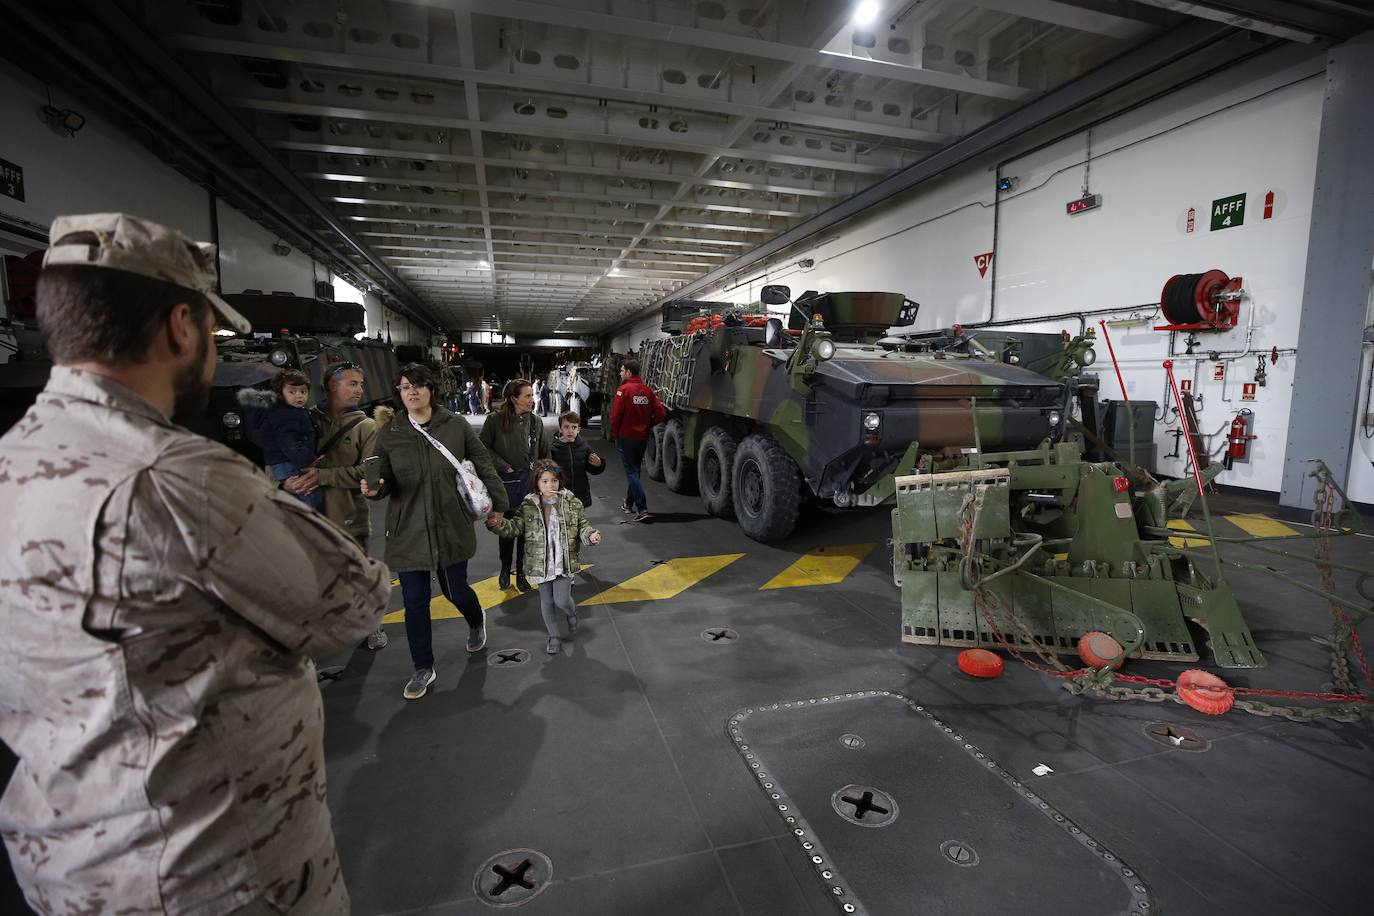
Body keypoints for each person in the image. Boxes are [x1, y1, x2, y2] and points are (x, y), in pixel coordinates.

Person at [0, 213, 390, 914]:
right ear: (183, 326)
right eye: (213, 330)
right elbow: (352, 603)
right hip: (209, 873)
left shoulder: (15, 460)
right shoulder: (175, 477)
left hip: (71, 865)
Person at [363, 362, 508, 700]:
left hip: (449, 524)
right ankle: (422, 667)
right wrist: (375, 489)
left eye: (417, 385)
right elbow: (381, 476)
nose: (411, 392)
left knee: (456, 591)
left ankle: (475, 620)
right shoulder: (392, 431)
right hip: (408, 528)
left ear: (431, 389)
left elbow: (482, 462)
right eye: (404, 387)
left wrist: (498, 504)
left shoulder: (455, 425)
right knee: (415, 601)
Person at [282, 359, 392, 651]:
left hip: (348, 515)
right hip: (306, 515)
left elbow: (368, 472)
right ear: (333, 385)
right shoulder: (302, 420)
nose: (359, 390)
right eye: (352, 384)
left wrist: (323, 475)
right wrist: (282, 483)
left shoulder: (365, 426)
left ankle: (371, 625)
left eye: (361, 385)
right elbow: (276, 459)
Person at [487, 458, 601, 654]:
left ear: (560, 481)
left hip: (563, 561)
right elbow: (515, 527)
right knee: (547, 602)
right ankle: (554, 636)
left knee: (562, 600)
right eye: (545, 481)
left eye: (554, 480)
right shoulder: (529, 504)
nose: (551, 485)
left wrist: (590, 535)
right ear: (537, 484)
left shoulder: (570, 501)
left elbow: (582, 524)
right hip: (540, 562)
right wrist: (498, 525)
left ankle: (571, 612)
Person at [480, 378, 551, 591]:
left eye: (532, 395)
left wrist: (544, 476)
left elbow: (544, 452)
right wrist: (504, 466)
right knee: (507, 531)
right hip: (506, 485)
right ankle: (504, 568)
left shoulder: (535, 422)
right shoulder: (495, 420)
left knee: (526, 532)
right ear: (514, 399)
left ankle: (521, 571)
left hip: (530, 486)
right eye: (527, 396)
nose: (532, 399)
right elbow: (482, 448)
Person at [237, 367, 322, 510]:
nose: (299, 396)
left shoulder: (289, 411)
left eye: (303, 391)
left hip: (283, 463)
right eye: (292, 392)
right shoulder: (287, 415)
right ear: (280, 394)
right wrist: (308, 461)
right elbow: (289, 443)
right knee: (308, 499)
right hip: (291, 463)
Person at [610, 358, 666, 522]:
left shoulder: (623, 390)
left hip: (626, 437)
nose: (620, 374)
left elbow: (615, 416)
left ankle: (642, 510)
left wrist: (615, 434)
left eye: (621, 371)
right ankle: (628, 503)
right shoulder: (648, 391)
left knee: (632, 472)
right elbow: (661, 413)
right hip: (642, 438)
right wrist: (648, 425)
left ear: (628, 372)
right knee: (635, 470)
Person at [550, 410, 605, 510]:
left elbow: (592, 468)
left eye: (574, 427)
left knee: (579, 523)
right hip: (561, 495)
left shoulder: (584, 447)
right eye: (566, 427)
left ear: (579, 429)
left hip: (580, 495)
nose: (570, 430)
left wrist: (598, 464)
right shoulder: (554, 449)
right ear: (560, 429)